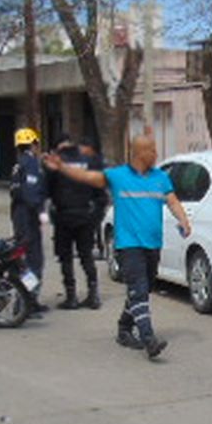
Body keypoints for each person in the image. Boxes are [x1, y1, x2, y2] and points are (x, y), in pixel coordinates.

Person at [43, 134, 192, 360]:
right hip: (128, 245)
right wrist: (62, 167)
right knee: (139, 289)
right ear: (138, 153)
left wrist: (184, 220)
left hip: (153, 244)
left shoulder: (161, 177)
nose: (155, 154)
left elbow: (172, 201)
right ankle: (148, 339)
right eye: (151, 150)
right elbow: (86, 176)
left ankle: (124, 327)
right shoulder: (118, 176)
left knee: (143, 289)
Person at [47, 137, 103, 309]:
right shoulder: (88, 161)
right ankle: (93, 295)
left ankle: (71, 297)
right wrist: (95, 216)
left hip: (64, 215)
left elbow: (48, 188)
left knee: (65, 257)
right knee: (86, 255)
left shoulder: (55, 162)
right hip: (85, 215)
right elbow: (98, 189)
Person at [8, 127, 49, 312]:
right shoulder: (31, 163)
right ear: (33, 144)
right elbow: (30, 193)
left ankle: (27, 300)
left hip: (19, 216)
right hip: (28, 217)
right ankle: (26, 301)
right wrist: (40, 210)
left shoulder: (19, 163)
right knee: (33, 261)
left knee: (26, 260)